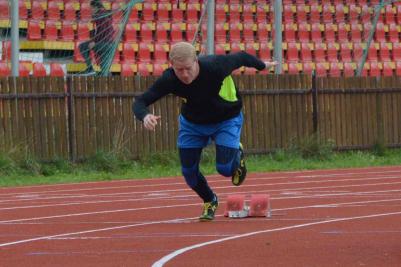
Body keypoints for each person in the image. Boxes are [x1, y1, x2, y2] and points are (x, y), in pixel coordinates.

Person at [132, 42, 277, 221]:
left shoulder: (215, 66)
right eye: (179, 70)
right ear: (172, 66)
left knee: (224, 169)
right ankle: (210, 200)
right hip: (192, 124)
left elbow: (241, 57)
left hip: (226, 119)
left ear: (196, 61)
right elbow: (140, 101)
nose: (184, 75)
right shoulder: (169, 79)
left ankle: (237, 154)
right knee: (189, 173)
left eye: (188, 68)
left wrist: (263, 66)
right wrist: (145, 116)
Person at [79, 0, 115, 75]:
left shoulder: (99, 15)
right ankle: (111, 81)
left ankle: (90, 69)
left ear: (96, 7)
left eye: (91, 8)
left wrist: (94, 42)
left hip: (103, 43)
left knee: (82, 46)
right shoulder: (106, 14)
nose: (90, 10)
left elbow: (101, 30)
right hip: (111, 45)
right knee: (104, 68)